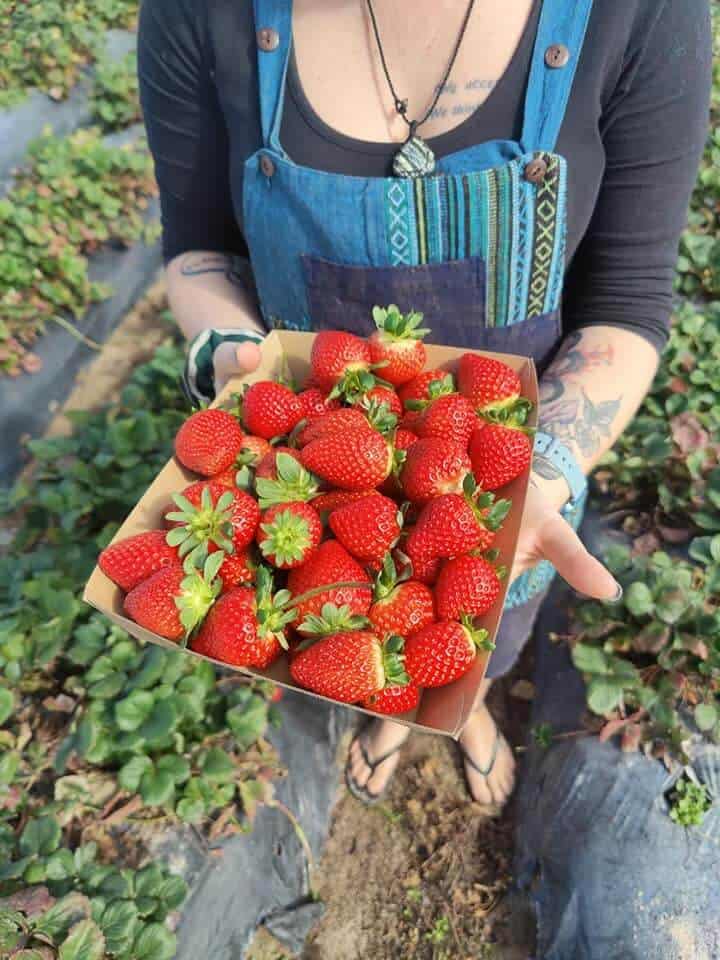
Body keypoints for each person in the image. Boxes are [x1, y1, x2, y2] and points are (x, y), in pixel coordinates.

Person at [138, 0, 711, 809]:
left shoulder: (641, 14)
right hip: (307, 474)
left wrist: (538, 474)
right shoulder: (200, 12)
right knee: (347, 629)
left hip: (499, 487)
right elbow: (197, 245)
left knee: (476, 638)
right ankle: (393, 714)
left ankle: (464, 712)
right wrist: (230, 357)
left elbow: (625, 298)